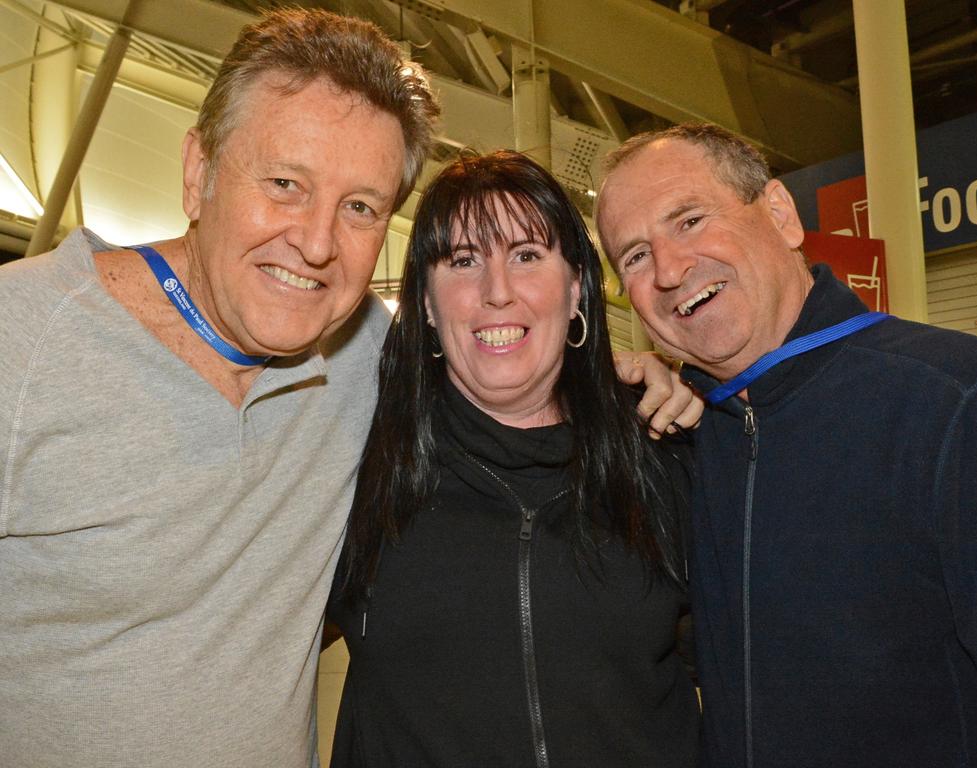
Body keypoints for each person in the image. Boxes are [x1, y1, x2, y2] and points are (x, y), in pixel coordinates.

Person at [0, 10, 439, 767]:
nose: (316, 241)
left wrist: (655, 375)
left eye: (360, 207)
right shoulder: (23, 338)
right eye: (284, 183)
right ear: (198, 174)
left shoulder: (372, 354)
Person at [596, 122, 977, 768]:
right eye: (633, 255)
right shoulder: (683, 438)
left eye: (688, 220)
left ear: (780, 214)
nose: (669, 269)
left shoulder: (959, 400)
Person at [327, 150, 702, 768]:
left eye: (527, 256)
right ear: (424, 301)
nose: (496, 292)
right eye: (464, 261)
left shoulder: (662, 457)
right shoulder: (357, 470)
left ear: (576, 287)